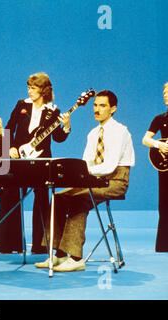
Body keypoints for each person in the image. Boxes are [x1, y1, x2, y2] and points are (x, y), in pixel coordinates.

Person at [35, 90, 135, 271]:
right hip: (93, 180)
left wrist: (85, 174)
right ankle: (57, 254)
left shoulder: (120, 132)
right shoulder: (93, 133)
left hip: (115, 181)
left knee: (78, 199)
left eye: (102, 106)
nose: (97, 109)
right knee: (58, 198)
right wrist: (78, 175)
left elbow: (110, 166)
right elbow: (85, 163)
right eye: (95, 105)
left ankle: (76, 258)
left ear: (113, 109)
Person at [1, 72, 71, 254]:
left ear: (44, 90)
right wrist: (10, 147)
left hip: (41, 160)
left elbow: (58, 138)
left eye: (33, 88)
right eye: (29, 87)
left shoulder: (53, 111)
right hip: (17, 157)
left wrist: (66, 127)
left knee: (41, 199)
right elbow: (8, 128)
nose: (29, 91)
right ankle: (10, 244)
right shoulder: (21, 105)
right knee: (10, 195)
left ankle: (40, 246)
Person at [142, 82, 168, 252]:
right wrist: (159, 145)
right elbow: (145, 140)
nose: (166, 95)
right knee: (164, 203)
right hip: (165, 167)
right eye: (164, 92)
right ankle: (164, 244)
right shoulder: (160, 119)